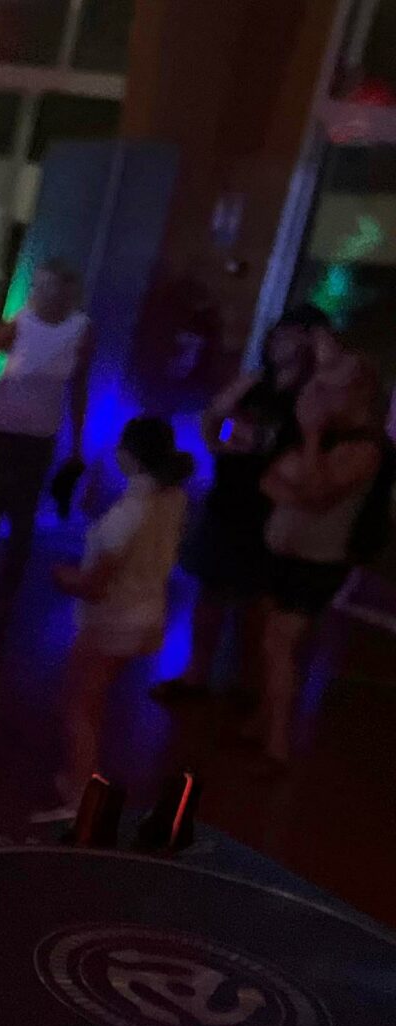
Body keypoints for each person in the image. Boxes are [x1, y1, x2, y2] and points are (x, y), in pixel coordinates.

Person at [162, 309, 321, 702]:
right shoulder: (253, 382)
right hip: (231, 492)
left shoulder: (312, 395)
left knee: (256, 598)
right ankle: (197, 675)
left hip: (273, 504)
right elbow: (213, 415)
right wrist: (217, 444)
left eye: (291, 334)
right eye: (279, 334)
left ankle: (245, 683)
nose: (280, 340)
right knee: (213, 588)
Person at [51, 416, 192, 803]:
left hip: (112, 622)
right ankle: (83, 779)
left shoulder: (130, 512)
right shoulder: (173, 499)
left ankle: (81, 792)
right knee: (92, 699)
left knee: (79, 704)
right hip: (146, 615)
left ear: (130, 455)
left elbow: (95, 585)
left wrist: (63, 577)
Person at [253, 356, 386, 763]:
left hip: (316, 564)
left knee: (280, 644)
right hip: (281, 555)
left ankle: (277, 743)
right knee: (271, 643)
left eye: (328, 389)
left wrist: (310, 439)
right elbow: (269, 480)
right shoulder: (329, 438)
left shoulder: (366, 448)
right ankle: (263, 721)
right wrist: (303, 494)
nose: (316, 398)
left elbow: (315, 491)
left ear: (358, 394)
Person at [0, 260, 93, 613]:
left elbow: (79, 388)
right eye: (39, 286)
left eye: (50, 287)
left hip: (38, 435)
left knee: (22, 514)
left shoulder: (80, 330)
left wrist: (77, 442)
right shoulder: (21, 322)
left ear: (67, 293)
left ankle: (5, 591)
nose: (41, 293)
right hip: (0, 427)